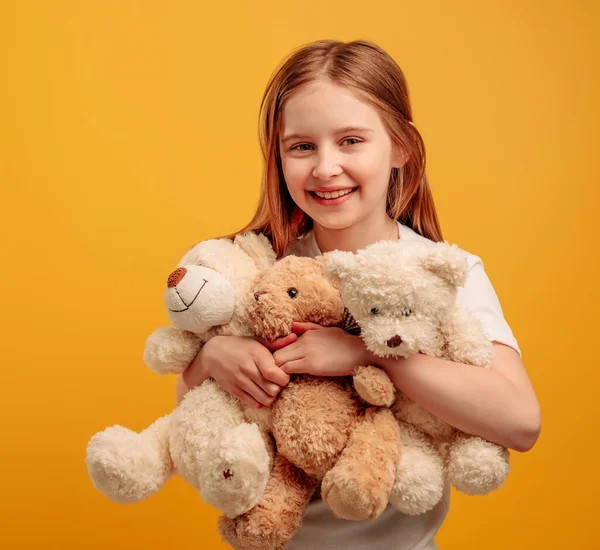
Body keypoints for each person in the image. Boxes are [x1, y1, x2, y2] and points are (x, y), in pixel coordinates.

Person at [175, 39, 541, 549]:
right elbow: (191, 412)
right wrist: (214, 356)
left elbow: (520, 422)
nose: (325, 168)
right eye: (301, 146)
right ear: (278, 157)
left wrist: (364, 355)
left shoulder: (441, 273)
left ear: (401, 147)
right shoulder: (258, 266)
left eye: (351, 141)